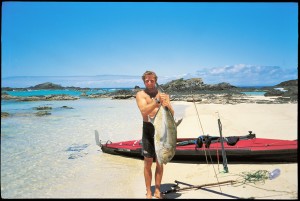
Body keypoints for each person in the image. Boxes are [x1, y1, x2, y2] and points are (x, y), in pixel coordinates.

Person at [136, 70, 174, 199]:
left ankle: (157, 190)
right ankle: (148, 191)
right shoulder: (140, 95)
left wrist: (167, 104)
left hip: (162, 129)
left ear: (155, 80)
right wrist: (157, 101)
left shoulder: (163, 95)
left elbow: (172, 113)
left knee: (160, 161)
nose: (149, 82)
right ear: (143, 81)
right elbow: (144, 111)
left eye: (152, 80)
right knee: (147, 162)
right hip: (148, 129)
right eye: (147, 80)